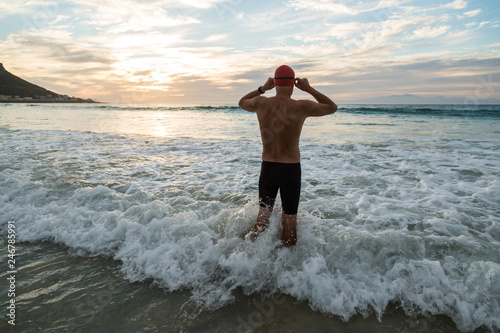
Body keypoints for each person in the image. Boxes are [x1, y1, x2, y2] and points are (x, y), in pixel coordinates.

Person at [238, 65, 337, 246]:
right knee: (290, 220)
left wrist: (262, 89)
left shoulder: (261, 103)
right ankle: (288, 269)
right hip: (290, 170)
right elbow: (332, 107)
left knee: (262, 218)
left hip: (267, 168)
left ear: (274, 83)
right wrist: (308, 89)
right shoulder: (302, 106)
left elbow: (242, 101)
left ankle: (249, 257)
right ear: (293, 83)